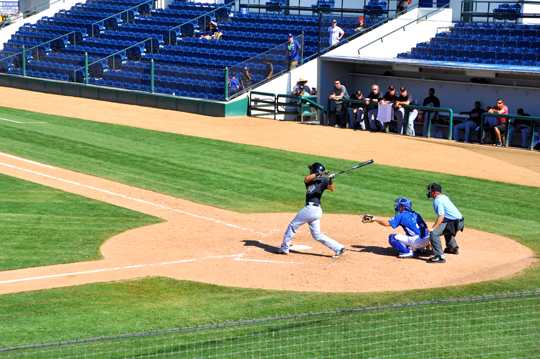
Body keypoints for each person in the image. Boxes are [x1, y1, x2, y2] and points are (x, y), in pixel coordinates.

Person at [277, 162, 347, 259]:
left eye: (311, 169)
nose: (309, 171)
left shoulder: (324, 180)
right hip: (314, 210)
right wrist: (320, 174)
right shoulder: (310, 180)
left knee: (293, 225)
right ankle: (338, 247)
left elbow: (332, 189)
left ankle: (284, 248)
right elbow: (306, 179)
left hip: (312, 209)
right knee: (316, 235)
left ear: (315, 170)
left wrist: (330, 180)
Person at [364, 198, 430, 258]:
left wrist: (375, 219)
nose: (398, 206)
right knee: (413, 233)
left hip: (417, 241)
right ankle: (420, 249)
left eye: (400, 205)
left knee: (392, 237)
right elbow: (426, 227)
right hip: (426, 239)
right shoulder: (415, 214)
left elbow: (387, 224)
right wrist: (427, 243)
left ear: (404, 207)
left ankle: (408, 251)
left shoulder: (401, 215)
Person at [426, 183, 464, 264]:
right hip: (460, 222)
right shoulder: (444, 197)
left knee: (434, 233)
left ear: (434, 192)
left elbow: (441, 216)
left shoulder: (437, 200)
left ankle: (440, 256)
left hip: (454, 223)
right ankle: (453, 248)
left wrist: (433, 228)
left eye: (430, 191)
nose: (429, 193)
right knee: (446, 228)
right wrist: (442, 222)